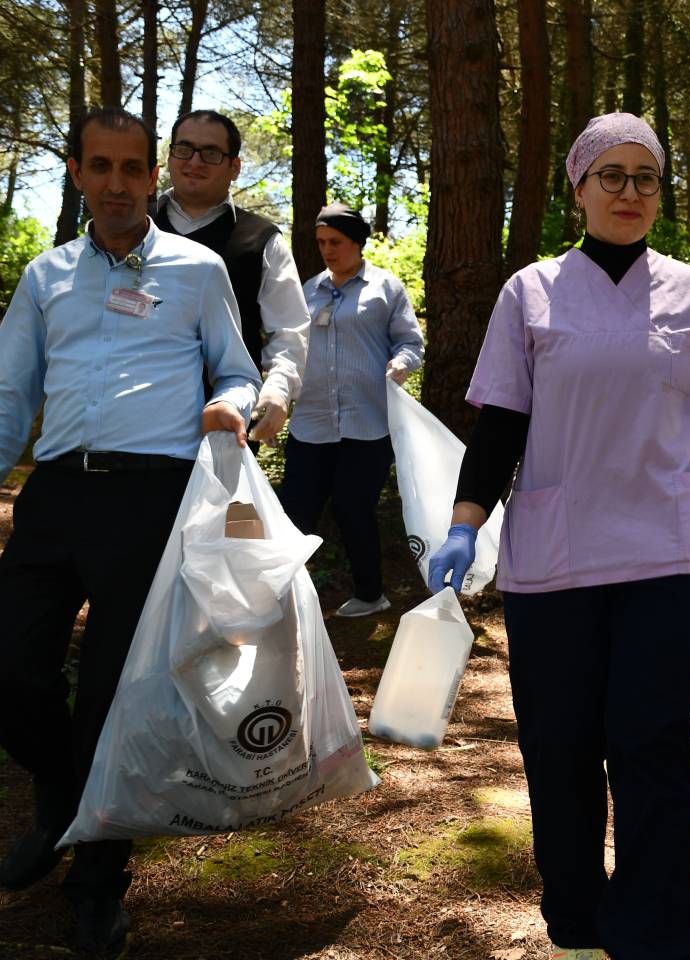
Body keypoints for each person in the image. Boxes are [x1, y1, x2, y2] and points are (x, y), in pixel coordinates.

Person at [425, 112, 690, 960]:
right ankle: (577, 928)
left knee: (652, 745)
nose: (631, 192)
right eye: (614, 175)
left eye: (647, 177)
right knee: (559, 748)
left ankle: (655, 938)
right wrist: (464, 525)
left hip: (672, 551)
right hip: (557, 554)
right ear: (579, 187)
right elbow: (499, 427)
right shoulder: (530, 291)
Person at [0, 107, 258, 951]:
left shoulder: (198, 269)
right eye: (99, 167)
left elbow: (235, 367)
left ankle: (97, 879)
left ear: (155, 177)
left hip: (152, 502)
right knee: (11, 670)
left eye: (132, 168)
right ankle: (65, 796)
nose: (116, 183)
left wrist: (233, 403)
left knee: (114, 698)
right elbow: (10, 397)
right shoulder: (45, 277)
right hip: (55, 495)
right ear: (76, 172)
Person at [279, 203, 423, 618]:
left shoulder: (386, 289)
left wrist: (401, 364)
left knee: (351, 506)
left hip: (367, 423)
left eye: (336, 242)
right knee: (296, 510)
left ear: (357, 243)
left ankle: (370, 593)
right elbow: (290, 345)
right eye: (321, 242)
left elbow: (411, 343)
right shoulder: (307, 291)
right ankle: (283, 595)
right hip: (311, 422)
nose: (327, 250)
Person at [152, 109, 310, 445]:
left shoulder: (261, 239)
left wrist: (279, 391)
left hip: (226, 429)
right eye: (184, 149)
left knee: (225, 502)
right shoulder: (135, 228)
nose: (194, 161)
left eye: (210, 153)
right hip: (132, 430)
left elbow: (290, 330)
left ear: (234, 167)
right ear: (169, 157)